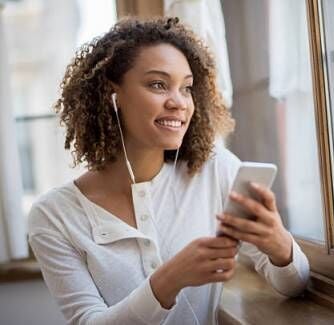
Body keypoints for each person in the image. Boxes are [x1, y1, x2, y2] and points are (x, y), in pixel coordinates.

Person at [28, 16, 310, 325]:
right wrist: (170, 279)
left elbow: (294, 285)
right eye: (158, 84)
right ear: (112, 95)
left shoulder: (215, 170)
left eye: (186, 88)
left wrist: (279, 245)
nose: (179, 103)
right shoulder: (53, 215)